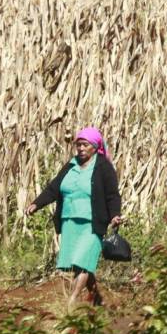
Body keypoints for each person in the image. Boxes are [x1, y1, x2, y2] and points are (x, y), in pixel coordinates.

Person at [26, 127, 122, 307]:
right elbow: (54, 188)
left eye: (85, 145)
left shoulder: (103, 167)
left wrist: (115, 215)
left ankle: (70, 303)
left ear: (95, 146)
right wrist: (36, 204)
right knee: (79, 264)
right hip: (69, 221)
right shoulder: (71, 165)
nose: (81, 148)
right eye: (78, 145)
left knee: (84, 261)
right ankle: (97, 299)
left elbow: (112, 194)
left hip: (92, 223)